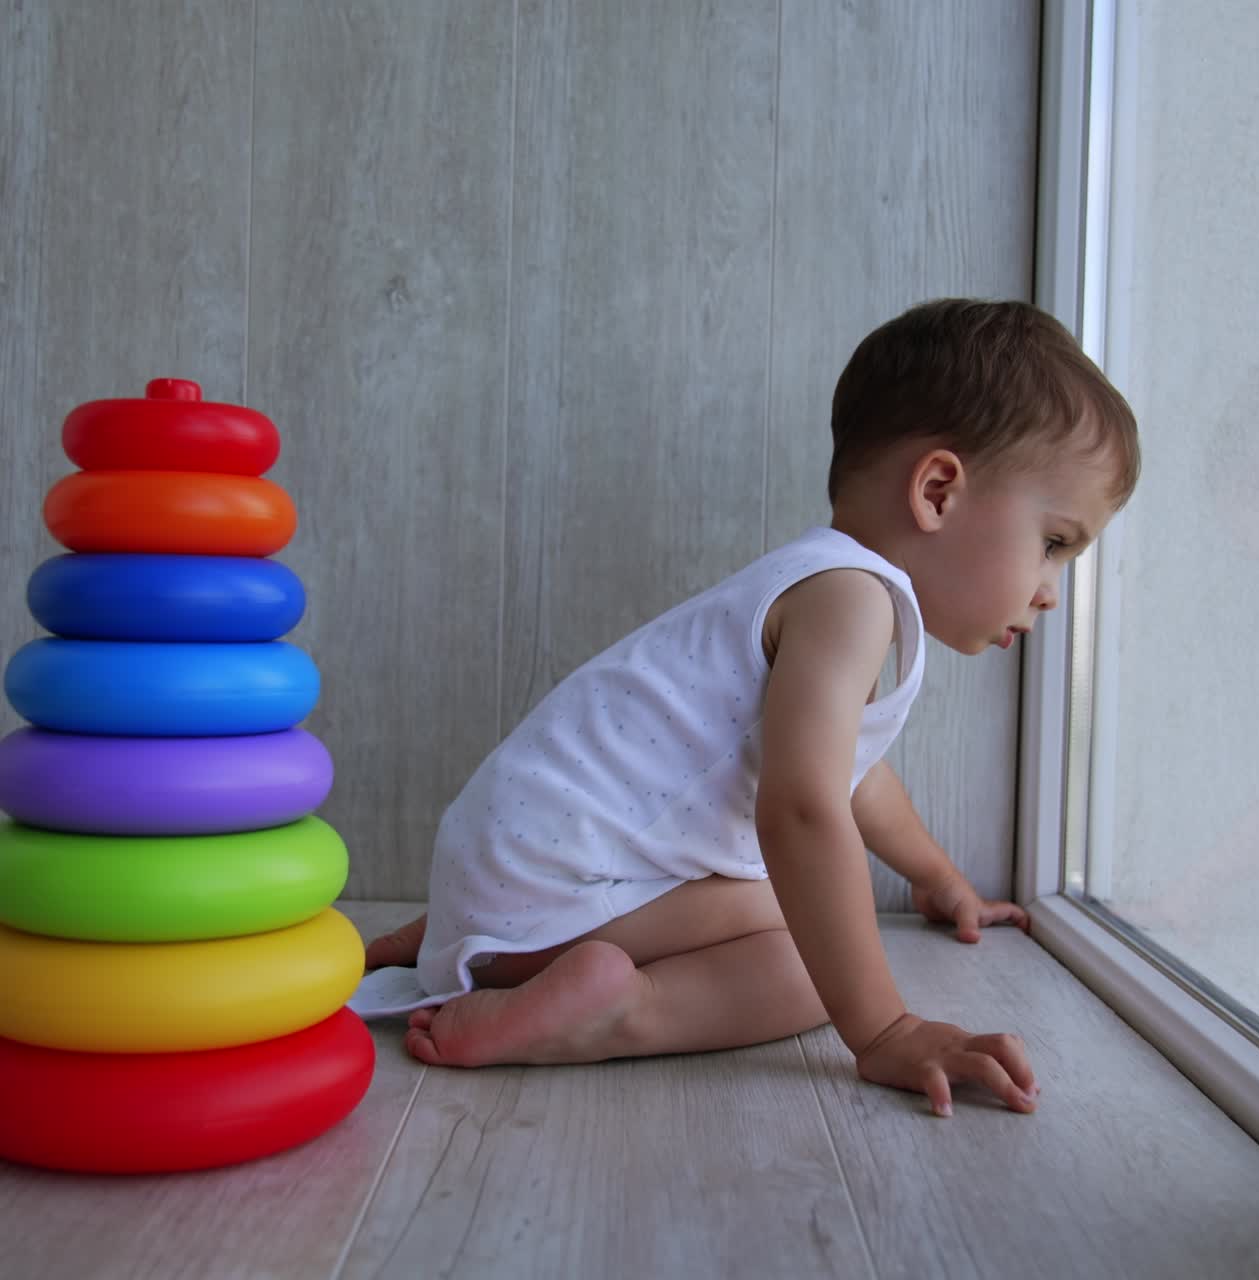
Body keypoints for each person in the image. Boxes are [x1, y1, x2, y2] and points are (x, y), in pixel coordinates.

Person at [355, 298, 1140, 1118]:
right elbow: (802, 810)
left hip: (504, 876)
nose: (1051, 592)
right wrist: (885, 1029)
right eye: (1054, 543)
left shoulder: (819, 585)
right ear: (938, 491)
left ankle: (457, 941)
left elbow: (856, 779)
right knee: (813, 948)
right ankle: (609, 1007)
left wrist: (939, 879)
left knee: (816, 929)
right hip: (545, 901)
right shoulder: (851, 600)